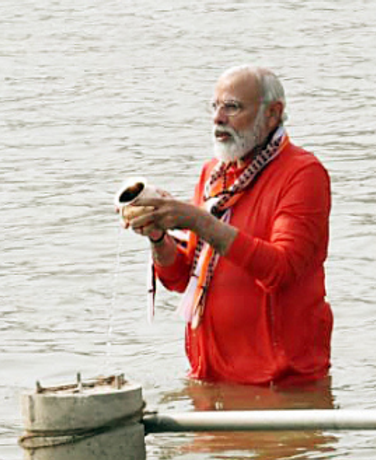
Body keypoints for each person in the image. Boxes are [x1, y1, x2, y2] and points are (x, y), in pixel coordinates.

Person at [120, 65, 333, 386]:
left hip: (281, 387)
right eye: (214, 107)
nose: (218, 118)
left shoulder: (302, 174)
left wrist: (197, 220)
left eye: (232, 107)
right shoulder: (213, 175)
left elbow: (281, 269)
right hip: (208, 379)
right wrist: (157, 235)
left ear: (273, 114)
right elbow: (181, 278)